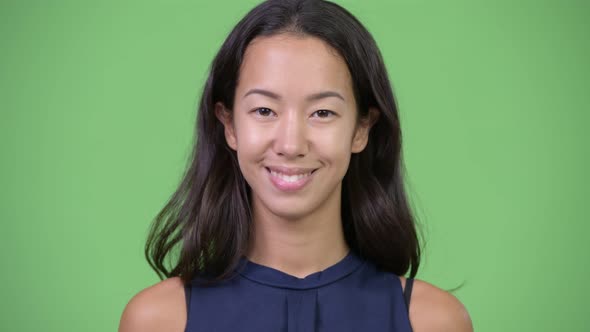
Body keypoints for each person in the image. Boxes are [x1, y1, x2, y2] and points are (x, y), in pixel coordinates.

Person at [119, 0, 473, 331]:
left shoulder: (432, 320)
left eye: (322, 113)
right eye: (264, 111)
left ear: (362, 128)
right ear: (228, 125)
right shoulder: (158, 319)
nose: (290, 145)